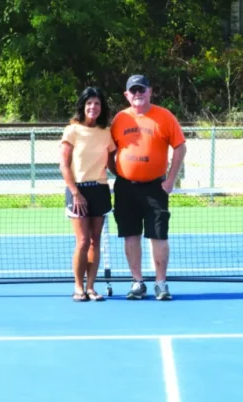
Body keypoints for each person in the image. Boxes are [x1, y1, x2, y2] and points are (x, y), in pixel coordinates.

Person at [109, 75, 187, 301]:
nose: (137, 94)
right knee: (130, 235)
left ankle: (161, 284)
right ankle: (137, 283)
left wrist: (170, 180)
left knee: (159, 235)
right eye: (133, 91)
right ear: (126, 95)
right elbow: (109, 151)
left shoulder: (165, 117)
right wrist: (120, 173)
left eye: (141, 89)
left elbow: (180, 148)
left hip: (156, 187)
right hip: (125, 188)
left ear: (150, 91)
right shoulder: (120, 118)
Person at [59, 87, 116, 302]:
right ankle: (78, 287)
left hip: (100, 190)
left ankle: (91, 287)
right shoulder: (72, 131)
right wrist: (75, 193)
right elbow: (63, 165)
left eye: (97, 104)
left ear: (102, 108)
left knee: (95, 241)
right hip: (78, 191)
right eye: (89, 103)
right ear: (83, 106)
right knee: (82, 241)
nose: (93, 107)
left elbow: (113, 164)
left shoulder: (106, 132)